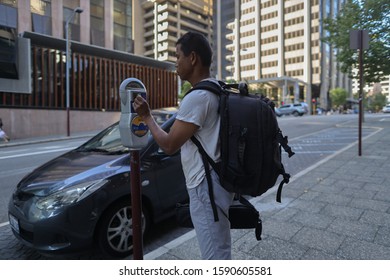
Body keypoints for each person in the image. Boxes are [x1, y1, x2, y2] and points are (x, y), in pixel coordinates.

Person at [133, 31, 234, 260]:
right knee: (220, 249)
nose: (175, 62)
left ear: (193, 58)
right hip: (218, 183)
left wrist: (147, 116)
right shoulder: (216, 88)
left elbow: (169, 145)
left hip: (204, 186)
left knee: (214, 258)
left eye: (178, 56)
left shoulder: (197, 97)